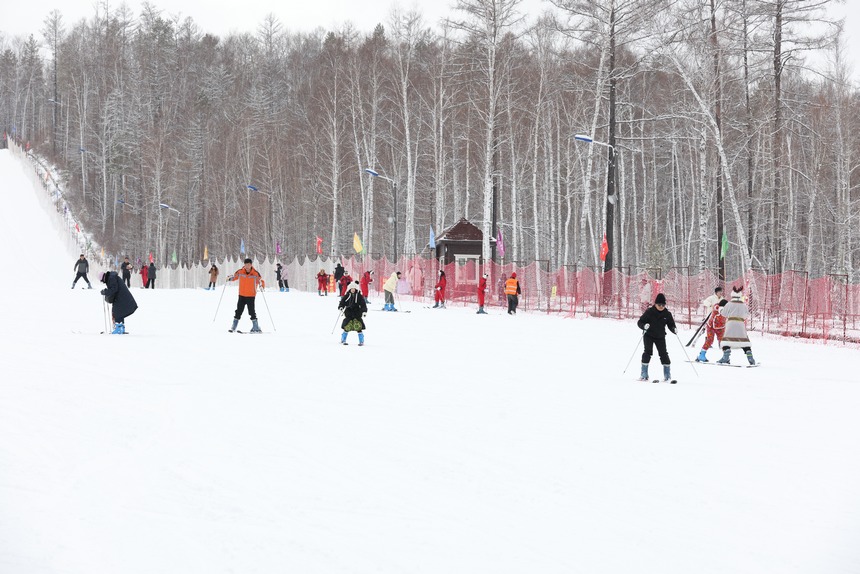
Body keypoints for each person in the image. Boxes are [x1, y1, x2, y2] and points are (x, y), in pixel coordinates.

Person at [636, 292, 678, 382]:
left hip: (660, 336)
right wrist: (644, 326)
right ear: (655, 304)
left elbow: (671, 324)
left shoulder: (667, 314)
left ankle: (667, 375)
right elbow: (640, 322)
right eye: (659, 304)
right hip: (649, 336)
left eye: (663, 305)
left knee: (664, 354)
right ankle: (644, 374)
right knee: (647, 353)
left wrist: (674, 329)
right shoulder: (649, 312)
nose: (661, 307)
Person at [716, 285, 756, 365]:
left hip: (731, 323)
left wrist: (720, 309)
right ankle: (750, 356)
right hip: (740, 324)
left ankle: (725, 357)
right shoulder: (744, 305)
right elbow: (746, 315)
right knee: (744, 341)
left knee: (726, 341)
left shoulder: (729, 304)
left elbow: (723, 313)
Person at [227, 258, 265, 333]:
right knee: (238, 311)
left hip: (251, 295)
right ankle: (233, 326)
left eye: (248, 264)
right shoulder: (240, 271)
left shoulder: (255, 273)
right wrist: (229, 279)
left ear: (251, 265)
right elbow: (235, 277)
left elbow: (260, 281)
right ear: (244, 265)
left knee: (251, 312)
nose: (247, 266)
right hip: (241, 295)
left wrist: (262, 285)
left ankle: (256, 327)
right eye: (246, 264)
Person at [338, 280, 368, 345]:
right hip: (349, 313)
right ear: (349, 289)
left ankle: (361, 340)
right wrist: (341, 307)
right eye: (351, 289)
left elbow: (363, 304)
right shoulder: (347, 296)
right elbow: (342, 302)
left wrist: (364, 311)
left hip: (357, 313)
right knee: (347, 326)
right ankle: (343, 339)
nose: (353, 290)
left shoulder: (359, 296)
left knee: (358, 327)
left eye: (354, 289)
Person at [697, 298, 728, 362]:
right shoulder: (717, 307)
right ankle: (701, 355)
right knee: (710, 340)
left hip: (721, 327)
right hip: (711, 326)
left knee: (723, 341)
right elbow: (719, 309)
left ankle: (726, 357)